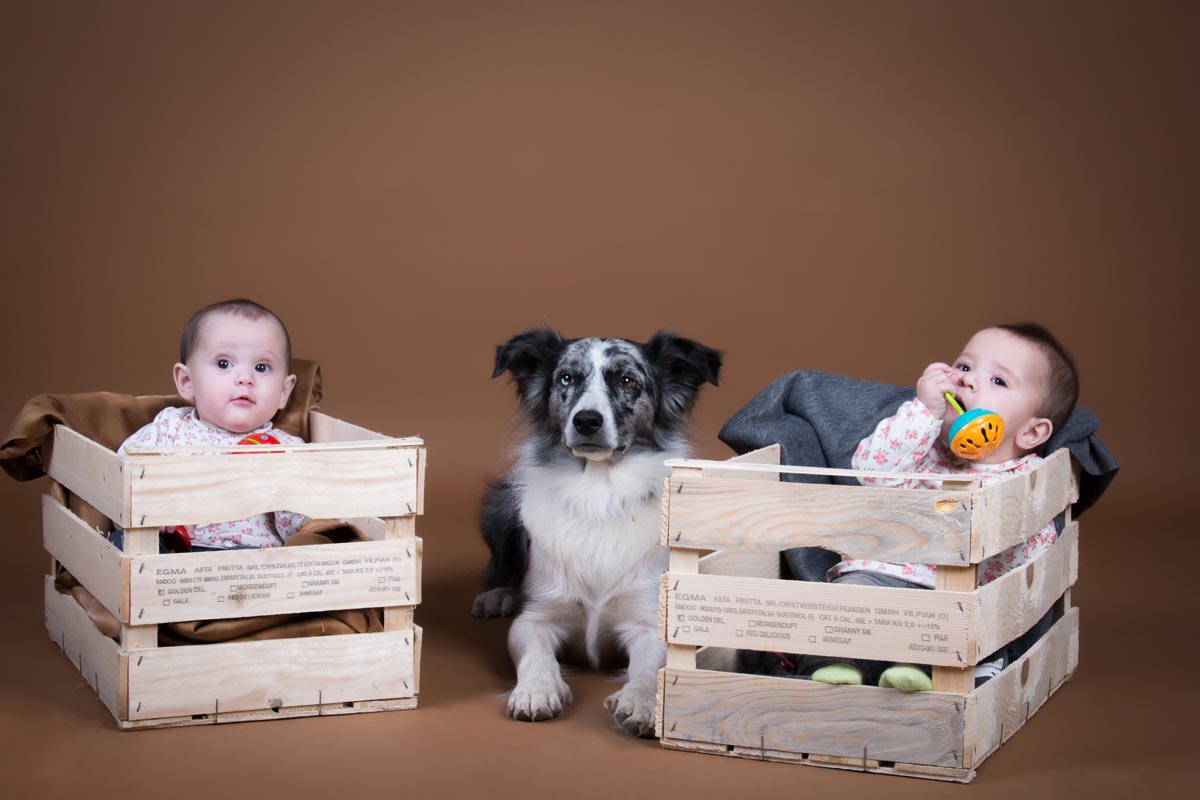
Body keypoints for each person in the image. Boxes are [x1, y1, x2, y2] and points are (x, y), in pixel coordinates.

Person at [803, 323, 1079, 691]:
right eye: (964, 367)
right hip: (884, 570)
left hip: (955, 593)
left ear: (1030, 433)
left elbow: (1030, 550)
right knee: (846, 600)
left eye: (998, 381)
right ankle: (834, 664)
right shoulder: (923, 445)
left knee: (945, 627)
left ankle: (916, 671)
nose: (967, 381)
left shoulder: (1025, 479)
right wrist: (922, 412)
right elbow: (871, 473)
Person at [114, 299, 306, 551]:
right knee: (126, 544)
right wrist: (157, 509)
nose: (245, 379)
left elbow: (299, 528)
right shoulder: (169, 428)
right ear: (186, 381)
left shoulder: (287, 448)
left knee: (276, 566)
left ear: (283, 391)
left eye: (262, 367)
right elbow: (120, 481)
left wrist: (283, 488)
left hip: (249, 559)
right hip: (171, 551)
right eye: (224, 364)